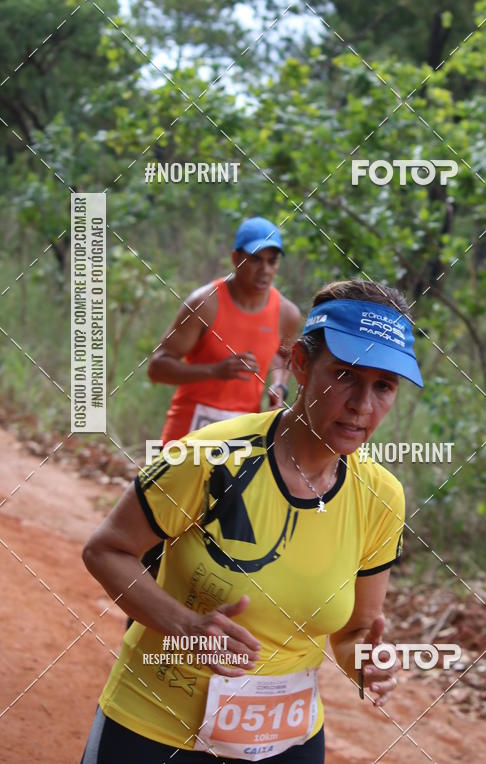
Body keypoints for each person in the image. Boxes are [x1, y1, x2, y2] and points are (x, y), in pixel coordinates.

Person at [81, 279, 424, 763]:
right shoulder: (210, 456)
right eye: (346, 375)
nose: (362, 406)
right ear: (301, 364)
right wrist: (183, 625)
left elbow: (354, 630)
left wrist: (364, 663)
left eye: (383, 386)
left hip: (286, 741)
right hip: (155, 728)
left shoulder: (381, 497)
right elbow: (105, 550)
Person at [148, 216, 302, 444]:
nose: (265, 270)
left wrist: (279, 385)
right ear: (235, 258)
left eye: (272, 261)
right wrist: (213, 371)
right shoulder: (205, 304)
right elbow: (157, 368)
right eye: (256, 259)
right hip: (189, 430)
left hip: (242, 432)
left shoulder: (287, 314)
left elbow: (282, 356)